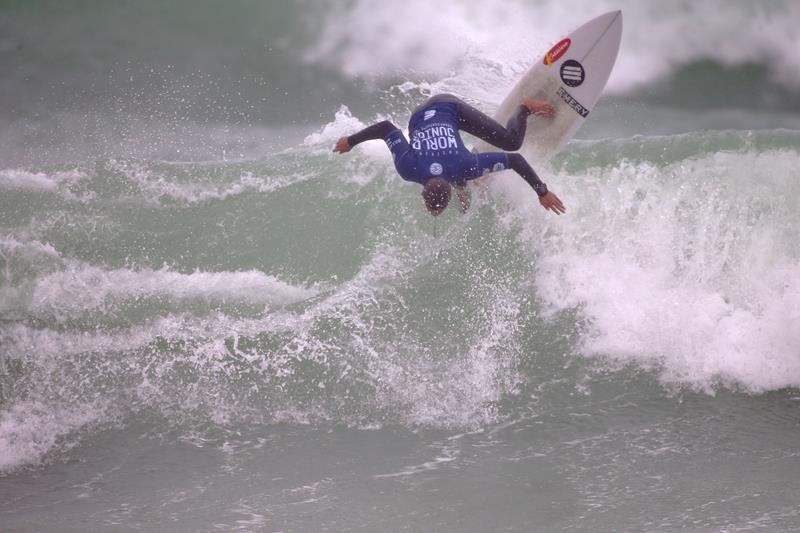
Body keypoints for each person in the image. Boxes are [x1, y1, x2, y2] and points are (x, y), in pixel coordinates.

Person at [333, 94, 566, 216]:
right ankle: (474, 174)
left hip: (449, 107)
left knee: (511, 142)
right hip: (417, 117)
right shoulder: (408, 167)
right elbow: (385, 128)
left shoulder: (463, 167)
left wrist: (542, 192)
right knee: (463, 169)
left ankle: (525, 107)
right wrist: (350, 141)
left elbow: (515, 159)